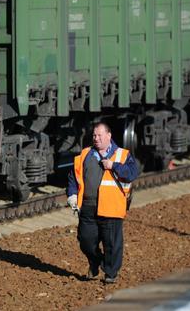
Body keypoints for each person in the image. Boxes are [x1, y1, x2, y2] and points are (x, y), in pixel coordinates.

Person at [67, 121, 140, 283]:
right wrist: (72, 194)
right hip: (88, 207)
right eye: (94, 135)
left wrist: (113, 165)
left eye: (100, 135)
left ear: (109, 136)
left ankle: (110, 274)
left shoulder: (122, 154)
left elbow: (133, 173)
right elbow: (74, 176)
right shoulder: (85, 154)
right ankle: (95, 261)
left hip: (111, 207)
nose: (96, 138)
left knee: (112, 244)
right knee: (86, 241)